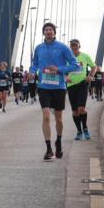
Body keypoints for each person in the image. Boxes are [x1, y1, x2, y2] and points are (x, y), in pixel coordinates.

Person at [30, 22, 80, 161]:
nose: (49, 32)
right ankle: (48, 148)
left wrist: (59, 69)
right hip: (43, 86)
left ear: (54, 32)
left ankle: (58, 141)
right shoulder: (39, 48)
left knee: (58, 117)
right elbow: (35, 64)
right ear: (43, 32)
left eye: (51, 30)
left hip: (59, 87)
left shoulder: (63, 47)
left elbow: (75, 66)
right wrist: (32, 72)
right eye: (46, 30)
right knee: (46, 116)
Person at [67, 39, 99, 141]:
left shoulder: (85, 56)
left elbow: (94, 67)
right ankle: (79, 131)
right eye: (72, 47)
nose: (74, 49)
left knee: (81, 109)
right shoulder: (66, 58)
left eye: (76, 47)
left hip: (83, 84)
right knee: (75, 111)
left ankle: (85, 128)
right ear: (70, 48)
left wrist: (90, 76)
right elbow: (61, 69)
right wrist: (65, 77)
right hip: (71, 85)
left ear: (79, 47)